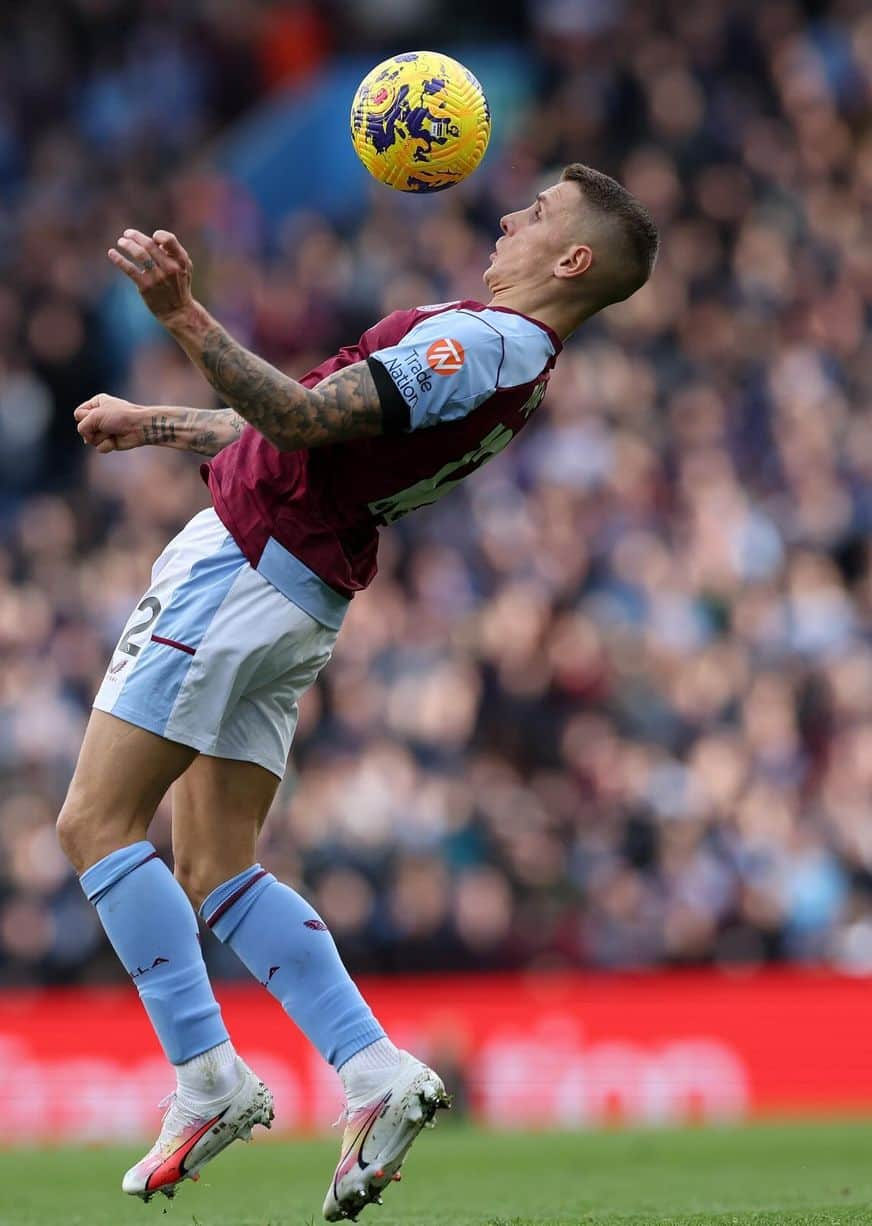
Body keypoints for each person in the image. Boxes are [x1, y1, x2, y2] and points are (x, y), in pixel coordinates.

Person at [60, 163, 658, 1221]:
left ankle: (208, 1075)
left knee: (95, 821)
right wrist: (152, 423)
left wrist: (181, 314)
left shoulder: (478, 343)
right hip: (295, 588)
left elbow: (292, 419)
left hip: (240, 572)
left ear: (572, 259)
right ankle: (375, 1070)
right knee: (214, 862)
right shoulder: (516, 363)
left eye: (540, 214)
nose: (511, 215)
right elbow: (310, 449)